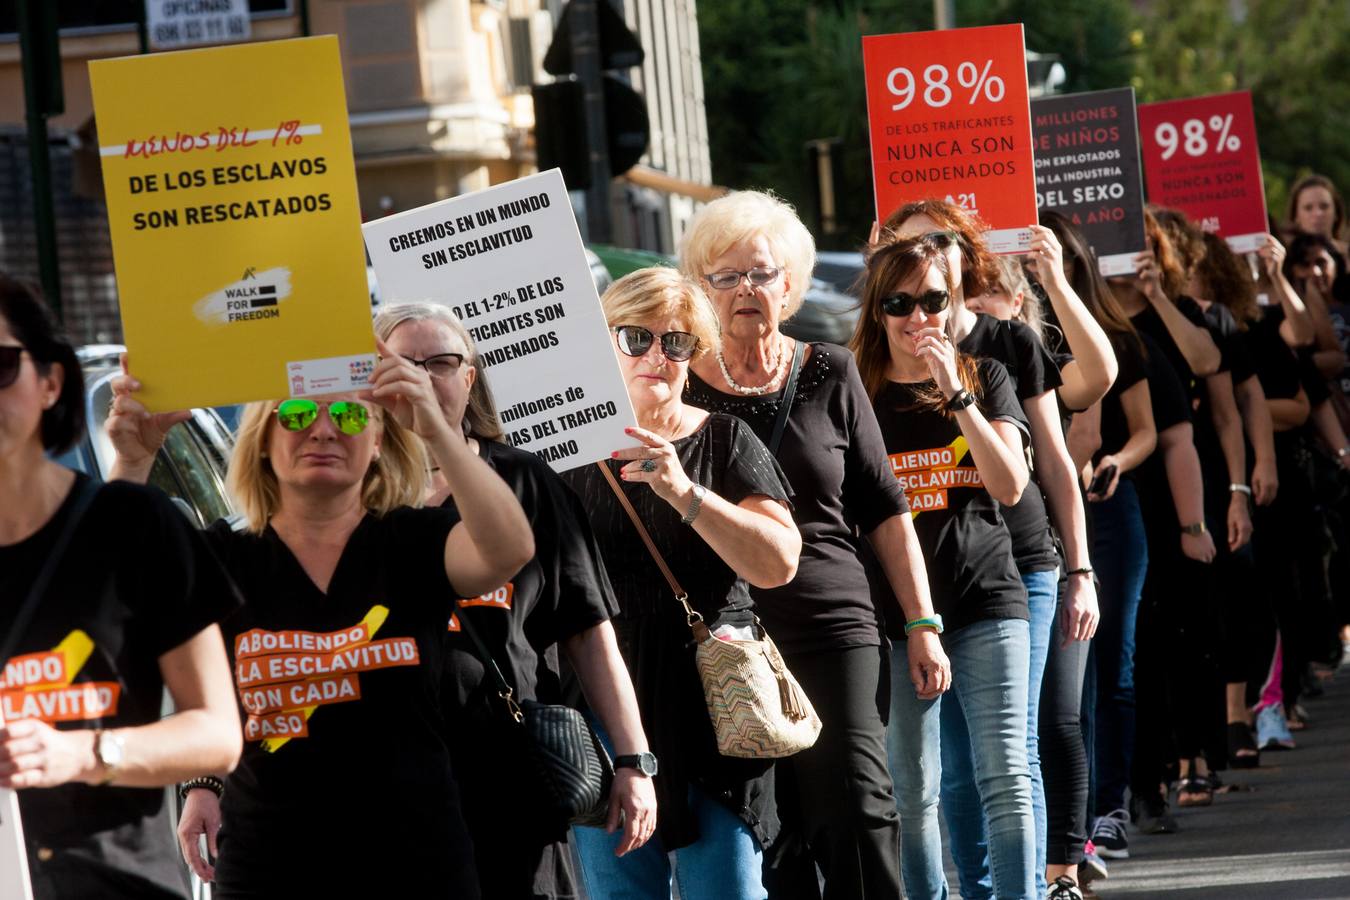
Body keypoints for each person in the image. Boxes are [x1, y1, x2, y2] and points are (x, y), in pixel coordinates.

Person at [107, 336, 536, 897]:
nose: (324, 429)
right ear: (262, 441)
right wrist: (134, 459)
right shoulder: (222, 559)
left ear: (379, 440)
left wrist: (436, 429)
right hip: (269, 864)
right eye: (298, 412)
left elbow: (509, 549)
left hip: (417, 863)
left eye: (351, 415)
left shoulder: (411, 542)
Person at [679, 190, 949, 900]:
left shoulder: (831, 370)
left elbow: (887, 510)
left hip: (836, 625)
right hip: (728, 639)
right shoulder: (679, 391)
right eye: (725, 276)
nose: (745, 289)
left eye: (762, 274)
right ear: (701, 289)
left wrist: (922, 624)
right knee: (778, 833)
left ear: (791, 285)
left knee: (857, 810)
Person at [374, 301, 656, 897]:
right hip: (389, 779)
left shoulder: (527, 482)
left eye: (443, 362)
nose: (425, 377)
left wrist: (633, 762)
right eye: (406, 362)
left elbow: (588, 631)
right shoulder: (352, 490)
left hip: (510, 773)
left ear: (470, 376)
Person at [886, 199, 1107, 900]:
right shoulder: (870, 366)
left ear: (962, 260)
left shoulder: (1003, 347)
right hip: (927, 580)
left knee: (1010, 754)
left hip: (1020, 564)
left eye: (942, 246)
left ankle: (1042, 883)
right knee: (948, 765)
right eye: (909, 255)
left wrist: (1079, 569)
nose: (930, 261)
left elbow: (1050, 466)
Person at [562, 267, 803, 900]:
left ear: (694, 354)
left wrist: (684, 492)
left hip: (713, 710)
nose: (655, 356)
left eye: (676, 342)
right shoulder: (563, 455)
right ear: (603, 344)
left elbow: (779, 563)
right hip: (606, 711)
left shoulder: (723, 438)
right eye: (635, 337)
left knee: (728, 890)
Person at [0, 275, 242, 899]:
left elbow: (217, 734)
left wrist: (83, 756)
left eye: (1, 366)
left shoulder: (134, 526)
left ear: (50, 382)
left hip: (114, 880)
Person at [852, 232, 1036, 899]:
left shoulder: (984, 376)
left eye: (932, 300)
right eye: (899, 303)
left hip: (986, 595)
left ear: (952, 302)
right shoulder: (856, 390)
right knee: (914, 788)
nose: (916, 318)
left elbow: (1010, 484)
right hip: (898, 613)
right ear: (878, 311)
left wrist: (953, 393)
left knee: (1006, 776)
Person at [1287, 173, 1348, 256]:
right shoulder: (1284, 259)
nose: (1318, 214)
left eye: (1324, 207)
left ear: (1336, 212)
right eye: (1308, 208)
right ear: (1296, 216)